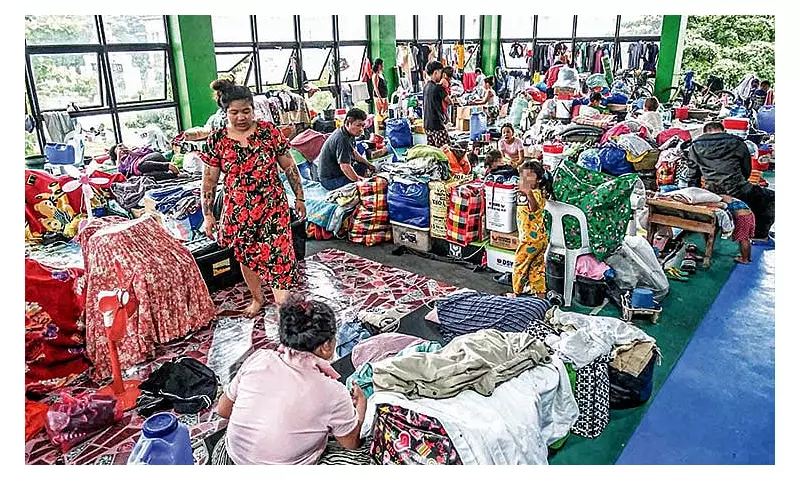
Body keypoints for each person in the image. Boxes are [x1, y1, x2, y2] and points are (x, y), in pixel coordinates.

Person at [214, 295, 367, 465]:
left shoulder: (259, 358)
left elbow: (223, 410)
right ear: (326, 346)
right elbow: (351, 443)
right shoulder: (333, 392)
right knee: (363, 456)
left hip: (227, 459)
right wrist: (361, 406)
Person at [201, 79, 306, 317]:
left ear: (253, 108)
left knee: (280, 256)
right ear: (225, 112)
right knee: (247, 256)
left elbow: (289, 167)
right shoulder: (217, 141)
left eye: (246, 111)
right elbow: (209, 182)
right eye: (234, 112)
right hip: (239, 211)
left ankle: (283, 306)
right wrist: (208, 215)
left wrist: (300, 198)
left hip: (273, 207)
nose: (241, 117)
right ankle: (257, 298)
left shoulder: (269, 132)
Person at [683, 121, 774, 241]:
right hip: (738, 190)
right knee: (771, 197)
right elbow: (746, 170)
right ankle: (759, 235)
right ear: (723, 130)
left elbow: (693, 176)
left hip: (713, 192)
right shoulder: (737, 143)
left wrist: (697, 198)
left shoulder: (694, 147)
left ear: (705, 133)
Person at [511, 161, 552, 297]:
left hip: (529, 241)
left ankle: (516, 293)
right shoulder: (533, 192)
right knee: (537, 269)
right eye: (522, 176)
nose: (525, 180)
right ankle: (540, 295)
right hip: (540, 239)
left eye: (529, 176)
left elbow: (533, 208)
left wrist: (528, 193)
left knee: (520, 266)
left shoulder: (535, 193)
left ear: (539, 179)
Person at [316, 108, 376, 191]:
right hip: (330, 180)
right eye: (358, 125)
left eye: (363, 126)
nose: (361, 129)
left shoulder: (348, 132)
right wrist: (360, 181)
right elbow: (345, 166)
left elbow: (354, 153)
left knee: (364, 167)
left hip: (339, 172)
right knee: (361, 185)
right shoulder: (342, 139)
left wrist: (369, 164)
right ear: (348, 123)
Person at [110, 143, 181, 181]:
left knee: (140, 165)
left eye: (121, 148)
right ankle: (175, 175)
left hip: (155, 158)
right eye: (119, 152)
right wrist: (118, 156)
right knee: (146, 176)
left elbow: (150, 150)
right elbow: (120, 173)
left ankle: (169, 166)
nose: (122, 151)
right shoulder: (124, 163)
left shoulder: (134, 149)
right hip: (147, 169)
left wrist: (133, 153)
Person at [422, 61, 451, 148]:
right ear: (436, 72)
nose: (442, 75)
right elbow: (449, 101)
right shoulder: (438, 88)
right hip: (437, 125)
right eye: (441, 72)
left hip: (427, 125)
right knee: (446, 150)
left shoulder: (426, 87)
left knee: (433, 151)